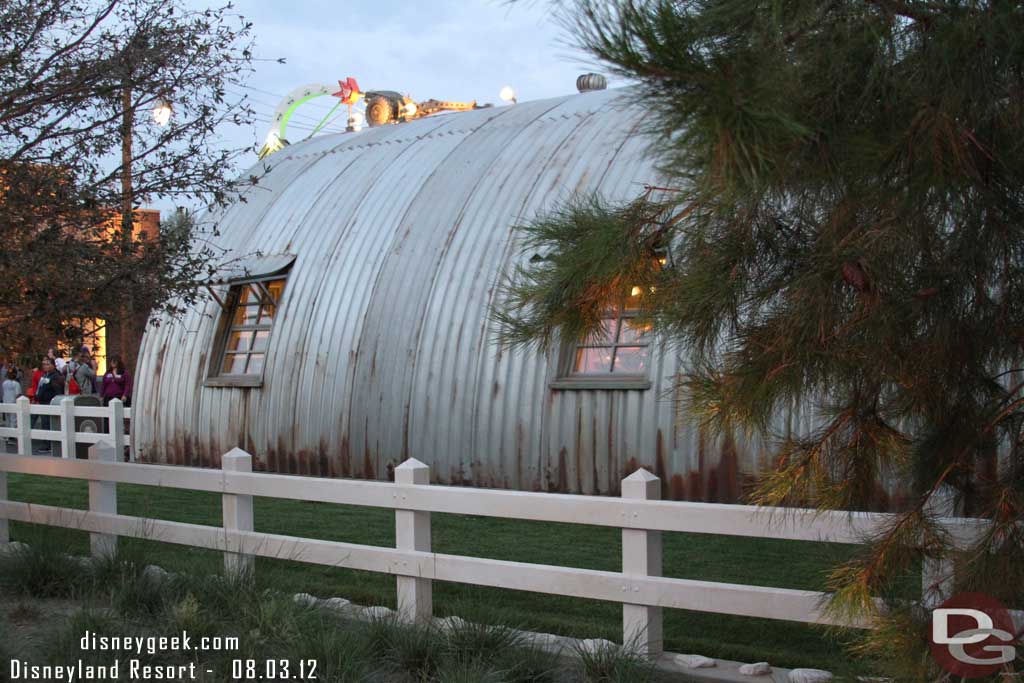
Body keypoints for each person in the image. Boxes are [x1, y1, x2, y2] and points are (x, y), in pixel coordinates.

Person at [34, 357, 65, 454]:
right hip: (42, 402)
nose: (45, 366)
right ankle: (46, 443)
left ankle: (48, 444)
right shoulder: (44, 375)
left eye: (47, 364)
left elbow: (58, 390)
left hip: (49, 402)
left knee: (48, 423)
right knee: (44, 423)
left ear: (53, 365)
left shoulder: (55, 376)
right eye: (43, 364)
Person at [2, 367, 21, 445]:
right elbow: (18, 394)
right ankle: (12, 436)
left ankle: (8, 434)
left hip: (6, 402)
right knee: (14, 419)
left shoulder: (4, 383)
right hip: (13, 403)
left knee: (8, 419)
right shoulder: (16, 384)